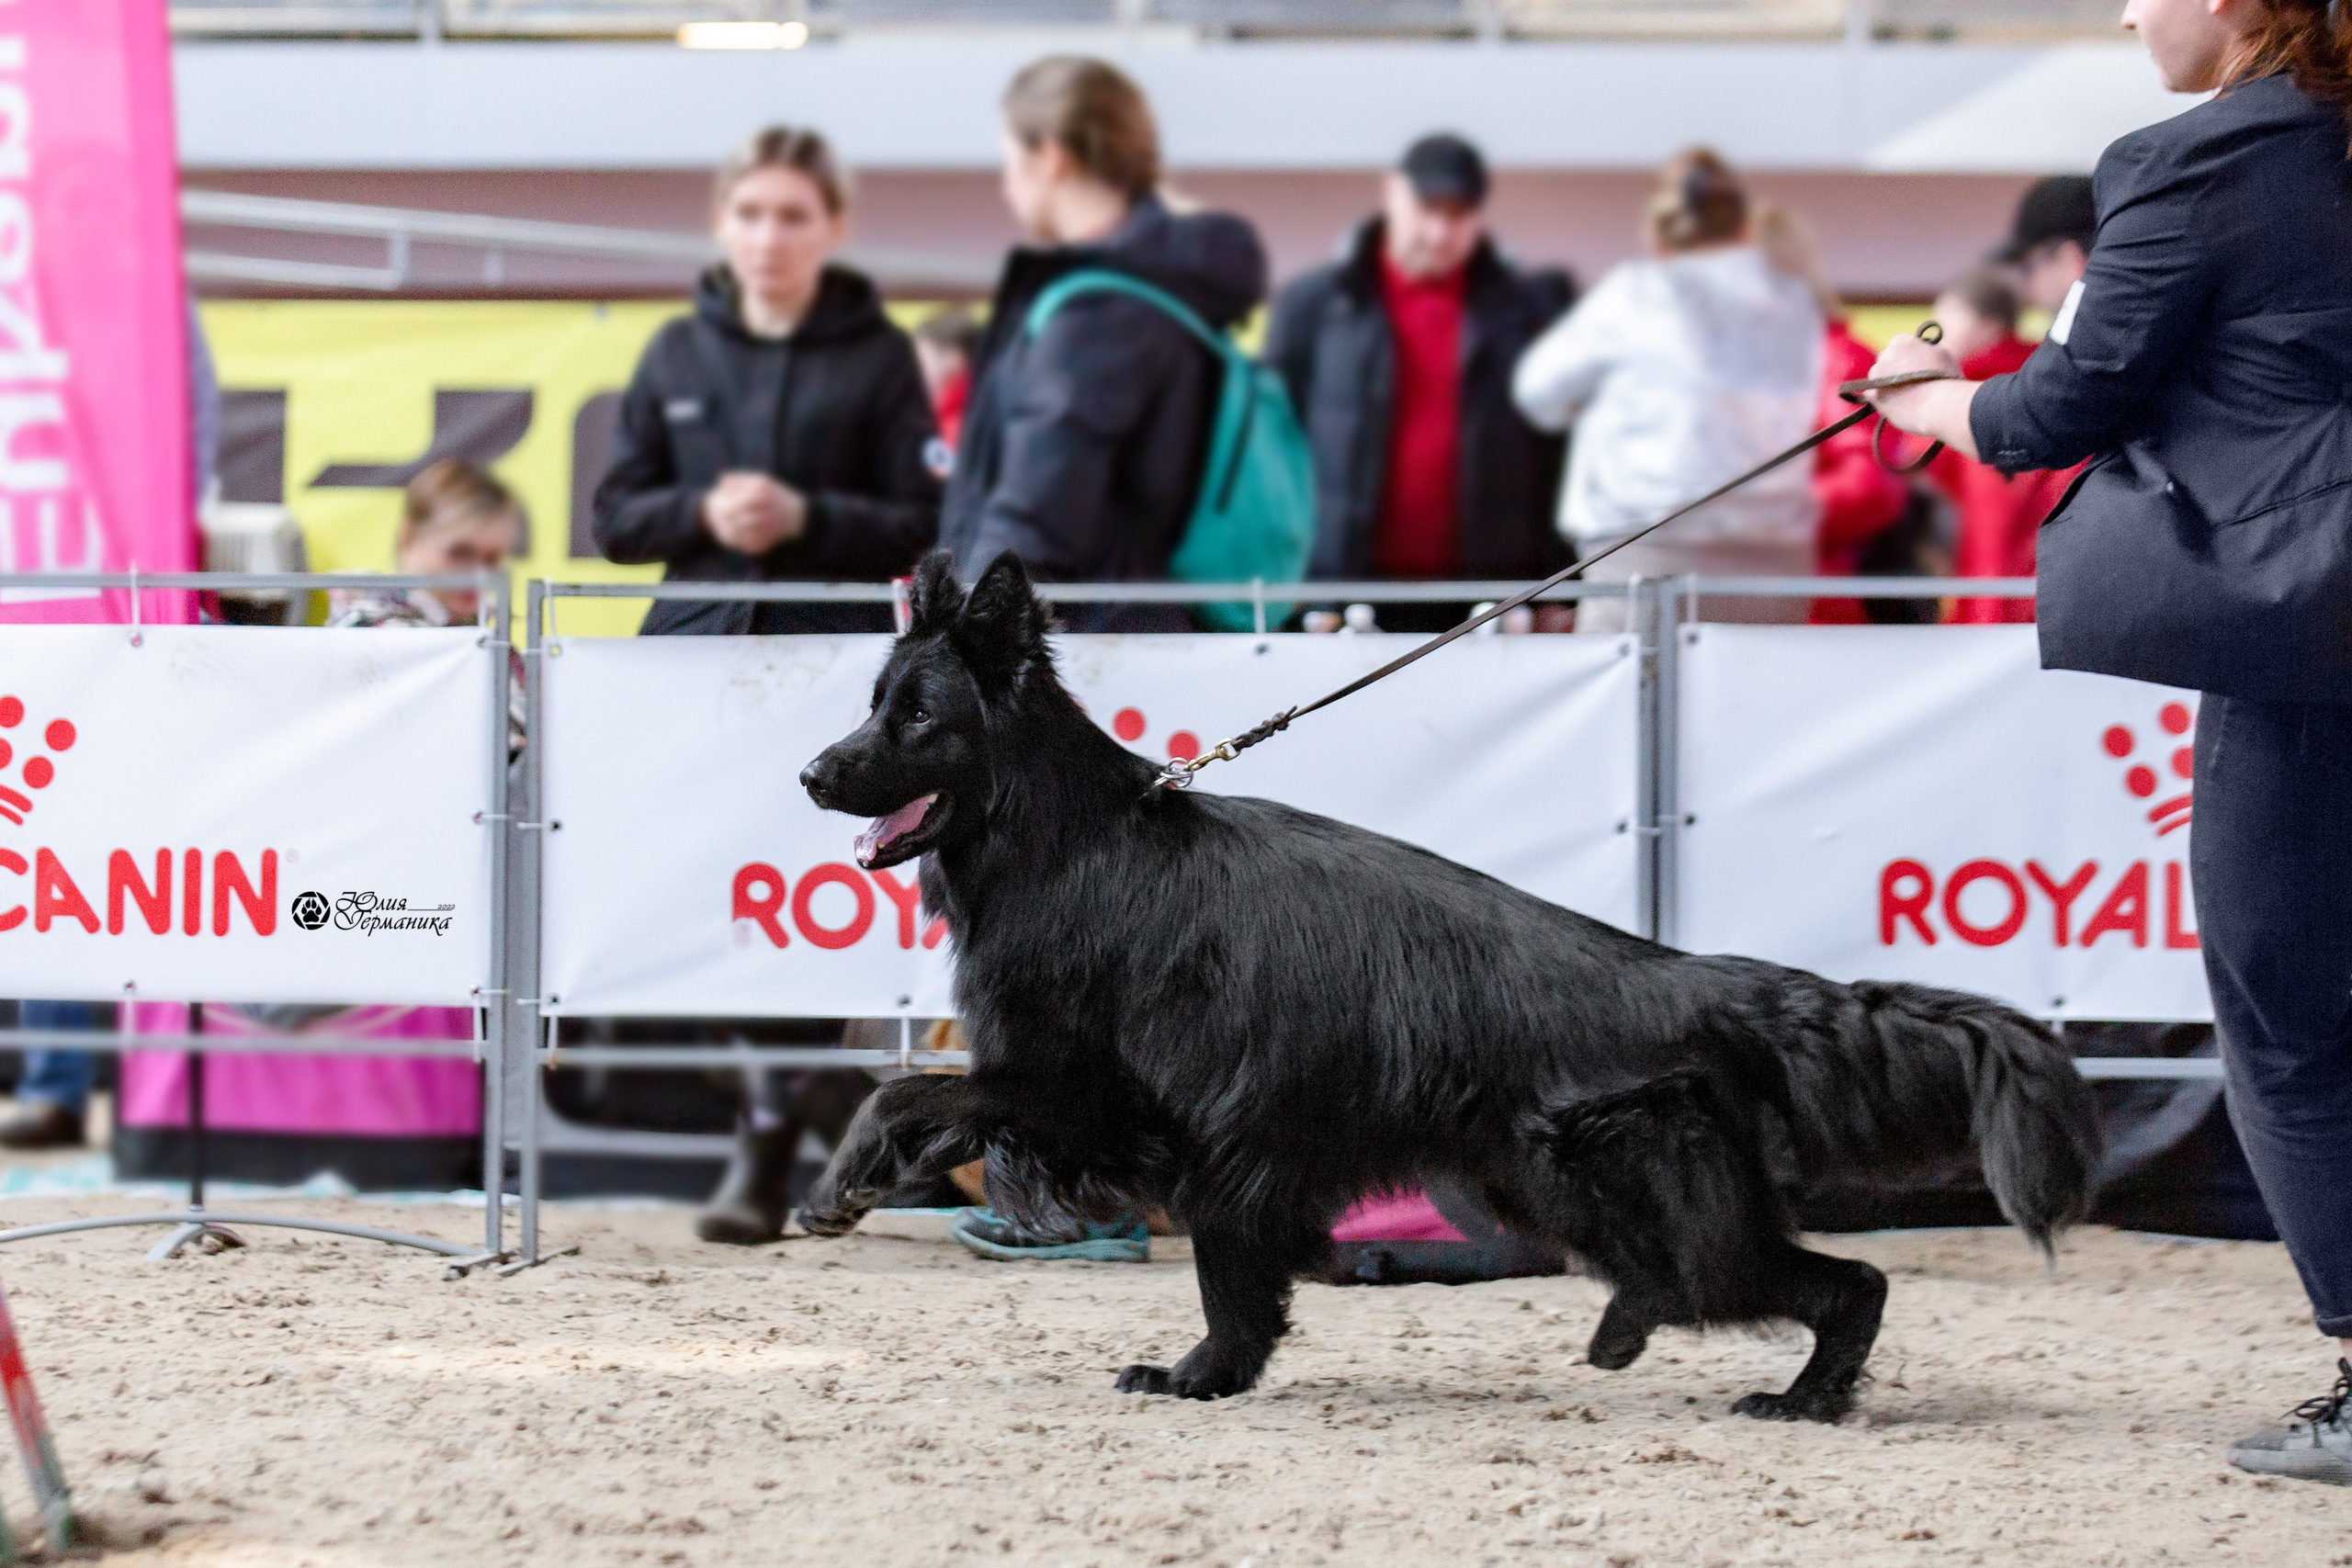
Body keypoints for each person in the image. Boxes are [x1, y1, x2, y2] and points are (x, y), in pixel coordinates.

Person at [1866, 0, 2352, 1484]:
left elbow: (2058, 409)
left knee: (2283, 1007)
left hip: (2306, 635)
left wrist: (1920, 396)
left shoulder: (2198, 161)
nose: (2131, 10)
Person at [114, 463, 525, 1190]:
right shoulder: (375, 628)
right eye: (461, 553)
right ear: (410, 539)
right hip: (352, 872)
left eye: (493, 558)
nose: (479, 574)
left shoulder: (478, 637)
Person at [937, 55, 1270, 634]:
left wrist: (963, 630)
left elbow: (1040, 510)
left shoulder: (1097, 314)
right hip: (1137, 625)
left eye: (1012, 158)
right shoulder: (1157, 287)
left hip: (1090, 647)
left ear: (1053, 158)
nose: (1008, 181)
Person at [593, 126, 941, 636]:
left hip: (833, 661)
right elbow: (614, 524)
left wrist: (806, 518)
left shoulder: (880, 357)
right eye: (749, 214)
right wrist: (705, 513)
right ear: (720, 223)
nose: (768, 239)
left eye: (793, 217)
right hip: (689, 647)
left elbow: (925, 525)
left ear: (834, 227)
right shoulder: (676, 351)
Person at [1263, 133, 1572, 634]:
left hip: (1487, 607)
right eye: (1427, 208)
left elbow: (1556, 457)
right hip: (1337, 606)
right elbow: (1270, 454)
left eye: (1459, 215)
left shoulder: (1526, 315)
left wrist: (1557, 585)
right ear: (1391, 194)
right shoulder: (1312, 307)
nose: (1439, 232)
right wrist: (1287, 590)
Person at [1512, 148, 1823, 634]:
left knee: (1634, 704)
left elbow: (1537, 392)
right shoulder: (1790, 303)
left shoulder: (1636, 292)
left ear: (1655, 234)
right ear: (1744, 228)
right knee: (1759, 706)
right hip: (1774, 555)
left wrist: (1585, 405)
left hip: (1650, 546)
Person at [1753, 203, 1936, 626]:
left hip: (1815, 608)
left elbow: (1870, 486)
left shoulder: (1836, 360)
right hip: (1747, 603)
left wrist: (1755, 515)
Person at [1926, 266, 2082, 624]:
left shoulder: (1957, 397)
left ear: (1988, 325)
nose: (1936, 330)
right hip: (2057, 591)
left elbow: (1912, 472)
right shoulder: (2053, 380)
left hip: (1987, 598)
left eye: (1947, 316)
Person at [912, 307, 981, 452]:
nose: (916, 368)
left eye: (923, 359)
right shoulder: (941, 414)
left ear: (955, 358)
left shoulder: (958, 424)